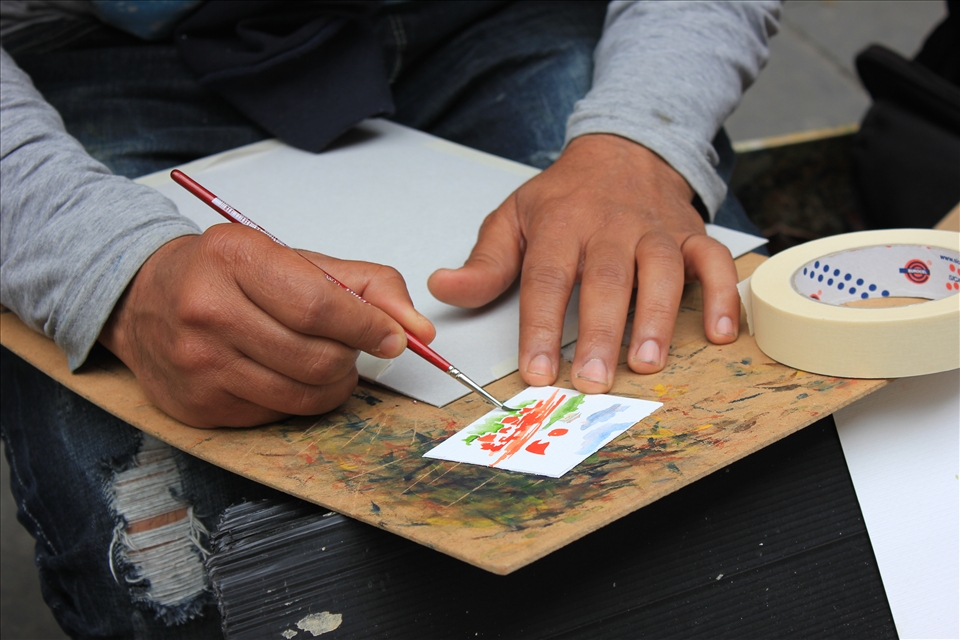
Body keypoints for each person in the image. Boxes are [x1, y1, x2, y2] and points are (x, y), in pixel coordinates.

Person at [1, 1, 780, 636]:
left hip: (506, 19)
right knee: (184, 578)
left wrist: (642, 141)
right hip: (86, 54)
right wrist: (111, 265)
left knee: (746, 467)